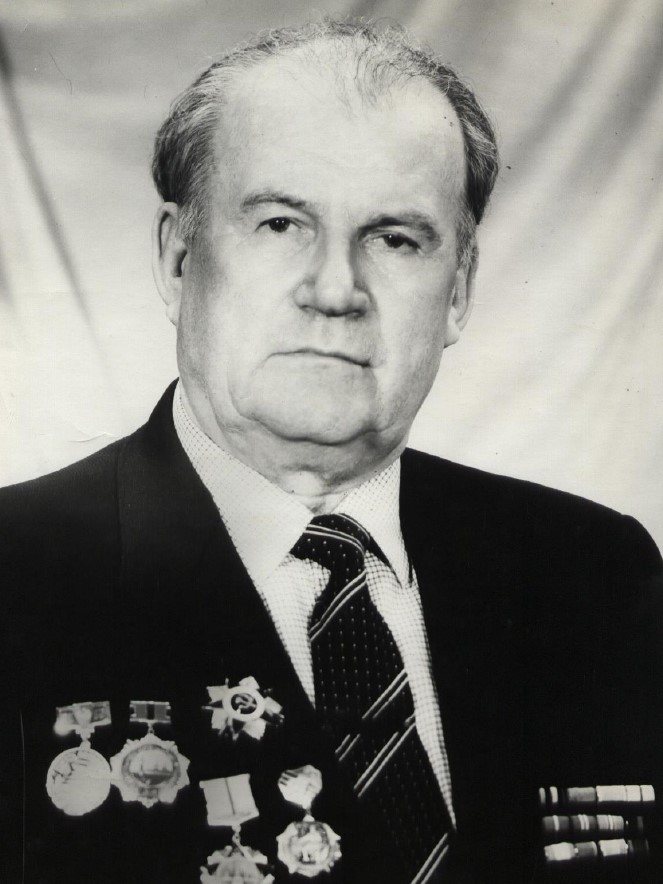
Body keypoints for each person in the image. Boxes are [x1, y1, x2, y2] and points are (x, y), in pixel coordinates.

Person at [1, 19, 662, 884]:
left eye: (395, 239)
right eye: (281, 224)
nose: (335, 290)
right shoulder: (19, 573)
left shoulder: (592, 571)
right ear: (177, 259)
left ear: (457, 292)